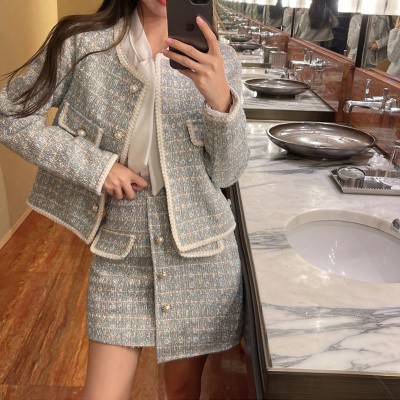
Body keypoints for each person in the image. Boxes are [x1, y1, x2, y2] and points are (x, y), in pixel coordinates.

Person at [0, 0, 249, 399]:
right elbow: (9, 115)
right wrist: (96, 167)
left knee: (182, 392)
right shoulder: (82, 43)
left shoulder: (220, 57)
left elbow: (227, 173)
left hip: (201, 252)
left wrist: (220, 100)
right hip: (121, 247)